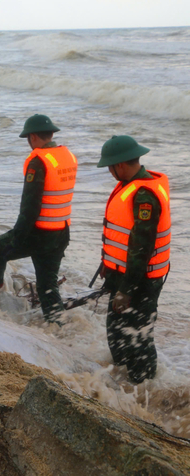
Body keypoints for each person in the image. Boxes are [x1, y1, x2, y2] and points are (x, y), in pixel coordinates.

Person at [0, 114, 78, 322]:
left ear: (33, 137)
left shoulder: (38, 162)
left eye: (28, 138)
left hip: (39, 233)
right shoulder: (67, 156)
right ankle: (58, 326)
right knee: (48, 284)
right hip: (62, 231)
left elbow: (30, 206)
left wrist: (18, 237)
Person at [97, 135, 170, 384]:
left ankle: (146, 393)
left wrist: (126, 290)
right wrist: (108, 265)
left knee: (139, 338)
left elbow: (142, 247)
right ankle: (123, 384)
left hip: (143, 279)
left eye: (109, 166)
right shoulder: (131, 184)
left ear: (119, 165)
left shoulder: (144, 196)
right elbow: (123, 234)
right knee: (117, 331)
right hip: (126, 273)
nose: (109, 171)